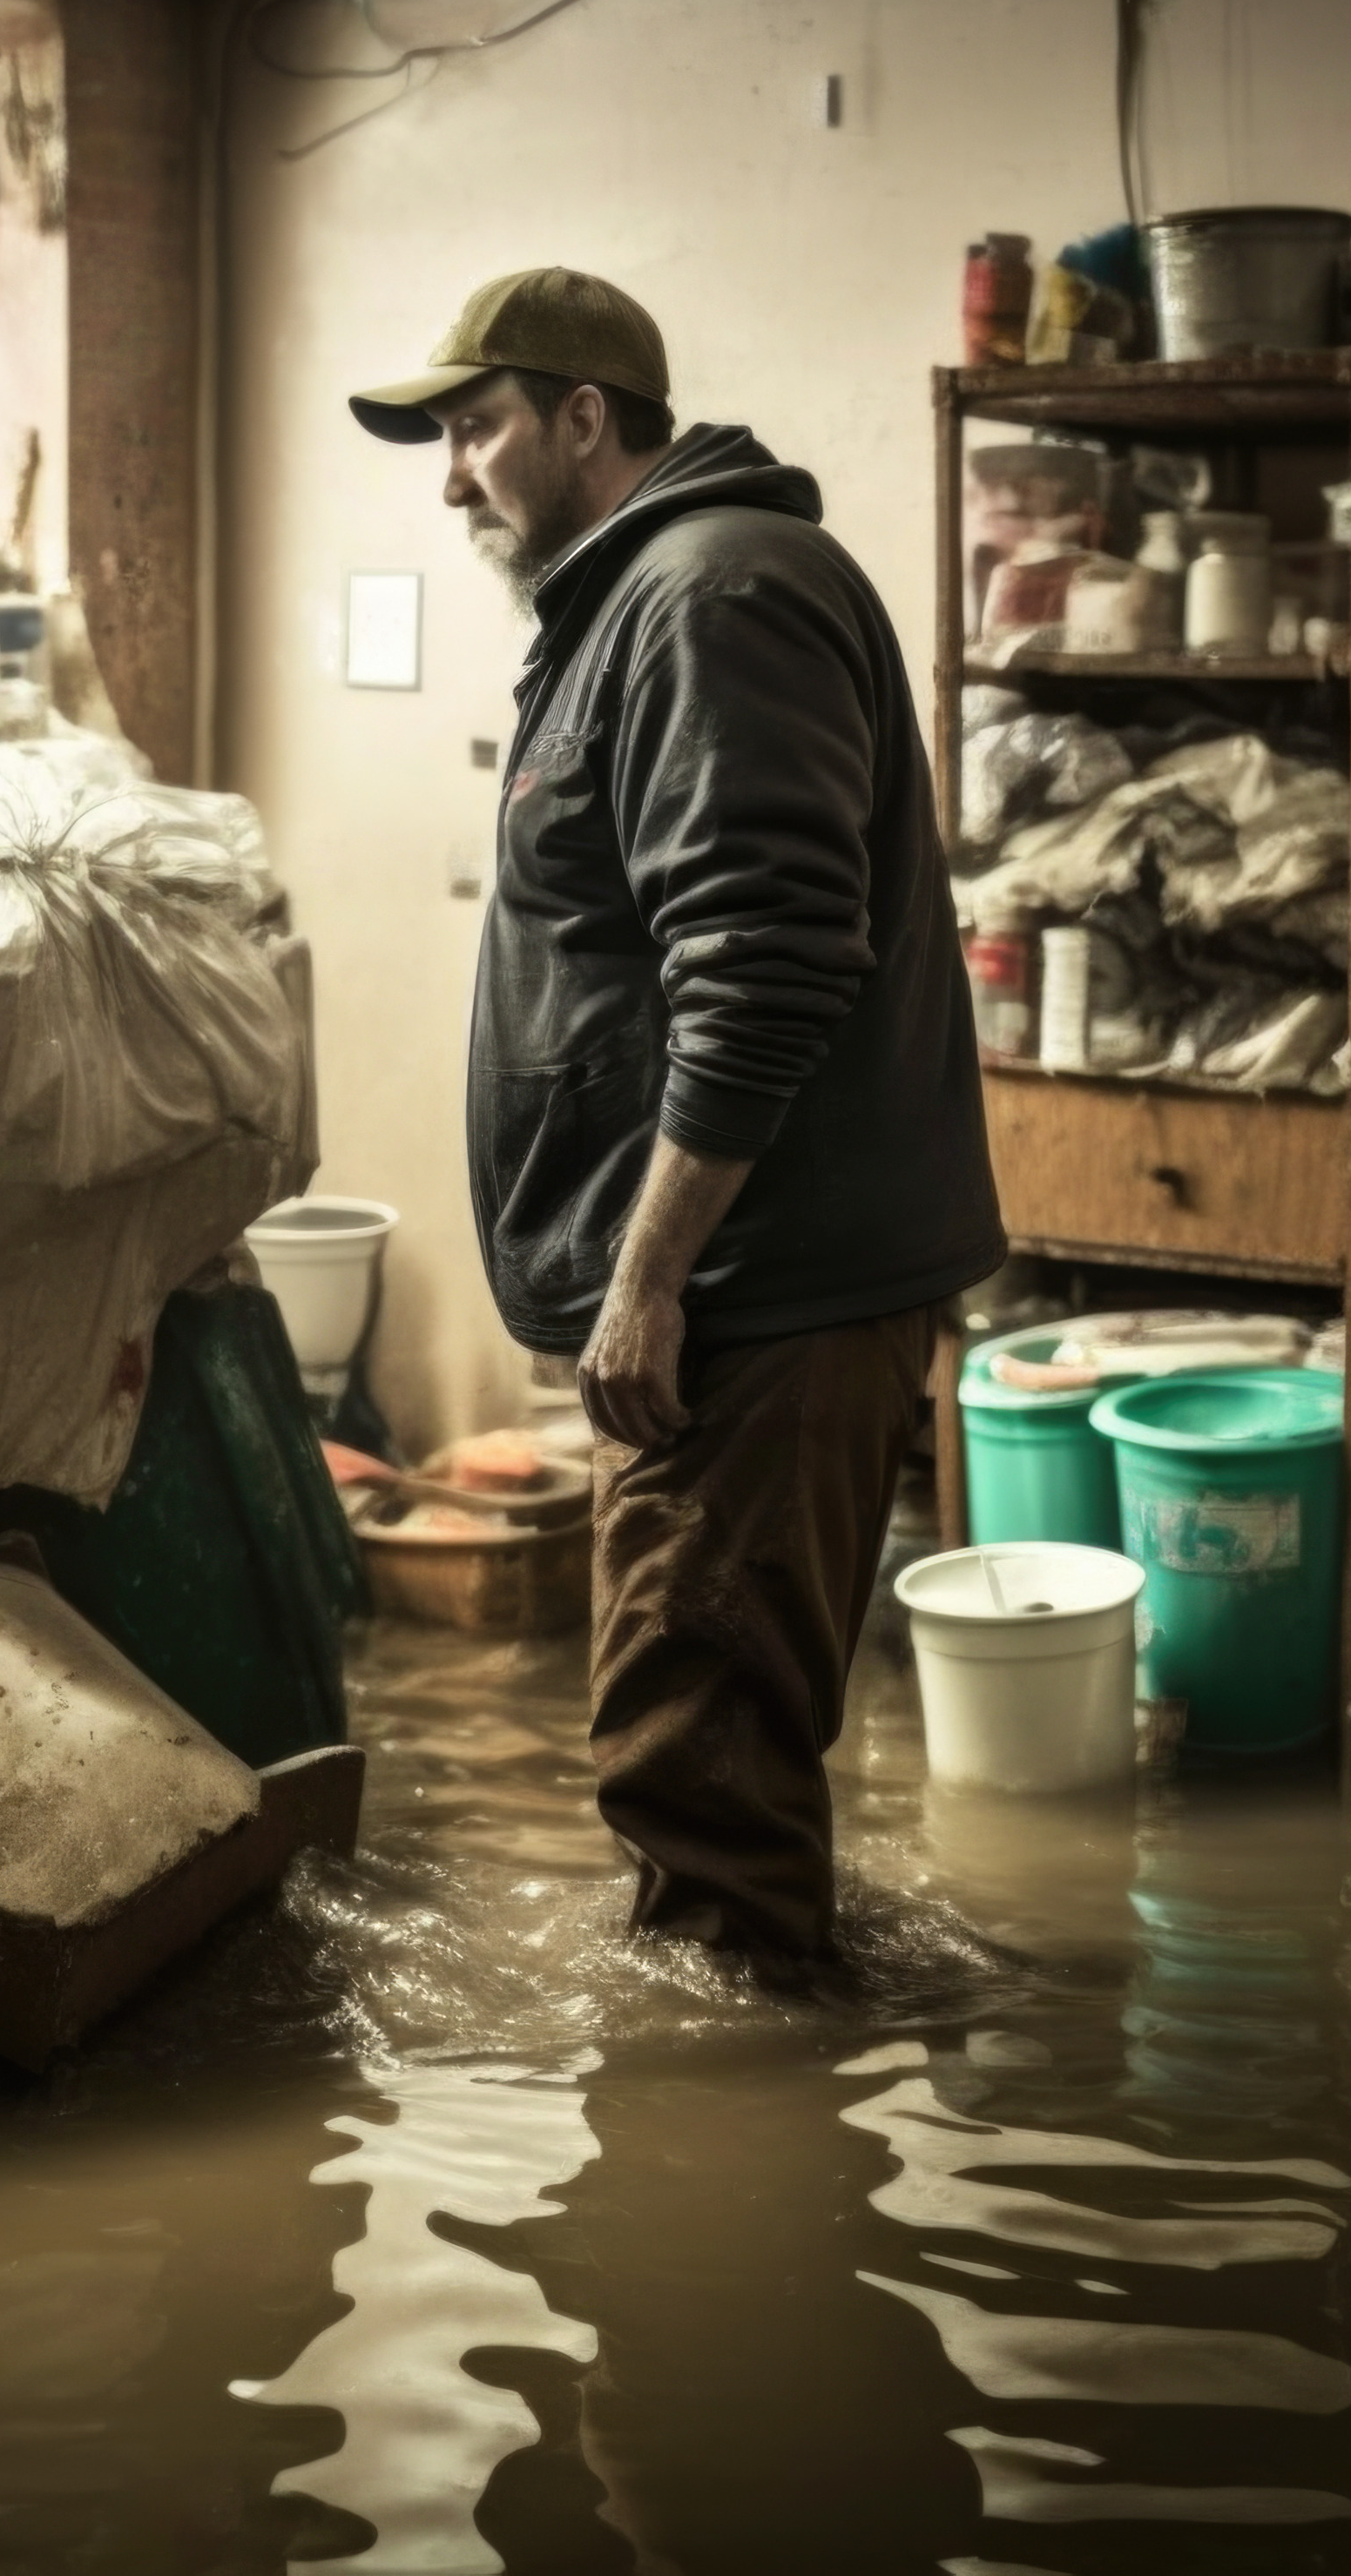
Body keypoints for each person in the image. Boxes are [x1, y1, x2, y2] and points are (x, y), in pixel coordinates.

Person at [351, 266, 1002, 1970]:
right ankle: (776, 2051)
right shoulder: (650, 599)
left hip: (745, 1304)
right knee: (717, 1748)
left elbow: (769, 961)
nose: (449, 475)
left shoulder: (710, 596)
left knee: (695, 1769)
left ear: (585, 418)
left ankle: (728, 2175)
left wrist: (646, 1280)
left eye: (475, 424)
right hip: (745, 1300)